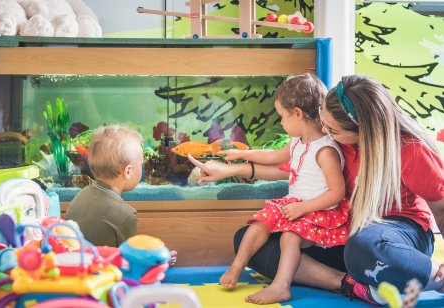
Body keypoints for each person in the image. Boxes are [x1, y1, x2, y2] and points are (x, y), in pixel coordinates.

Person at [188, 75, 444, 305]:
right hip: (347, 229)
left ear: (363, 130)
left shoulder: (410, 150)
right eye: (324, 121)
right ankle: (347, 283)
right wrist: (230, 169)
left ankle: (435, 275)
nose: (324, 131)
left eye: (332, 129)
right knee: (251, 239)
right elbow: (291, 165)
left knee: (365, 245)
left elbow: (441, 208)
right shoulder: (336, 139)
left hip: (395, 235)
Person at [218, 74, 349, 304]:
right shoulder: (298, 142)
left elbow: (337, 194)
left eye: (282, 116)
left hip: (318, 212)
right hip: (296, 206)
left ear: (297, 113)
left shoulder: (325, 151)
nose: (281, 122)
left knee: (289, 238)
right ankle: (237, 265)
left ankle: (281, 286)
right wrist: (241, 154)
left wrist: (303, 208)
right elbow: (272, 156)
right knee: (260, 222)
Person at [65, 125, 177, 265]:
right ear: (128, 171)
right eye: (141, 165)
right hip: (105, 278)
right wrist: (162, 259)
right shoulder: (125, 215)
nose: (142, 169)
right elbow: (133, 262)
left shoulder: (80, 196)